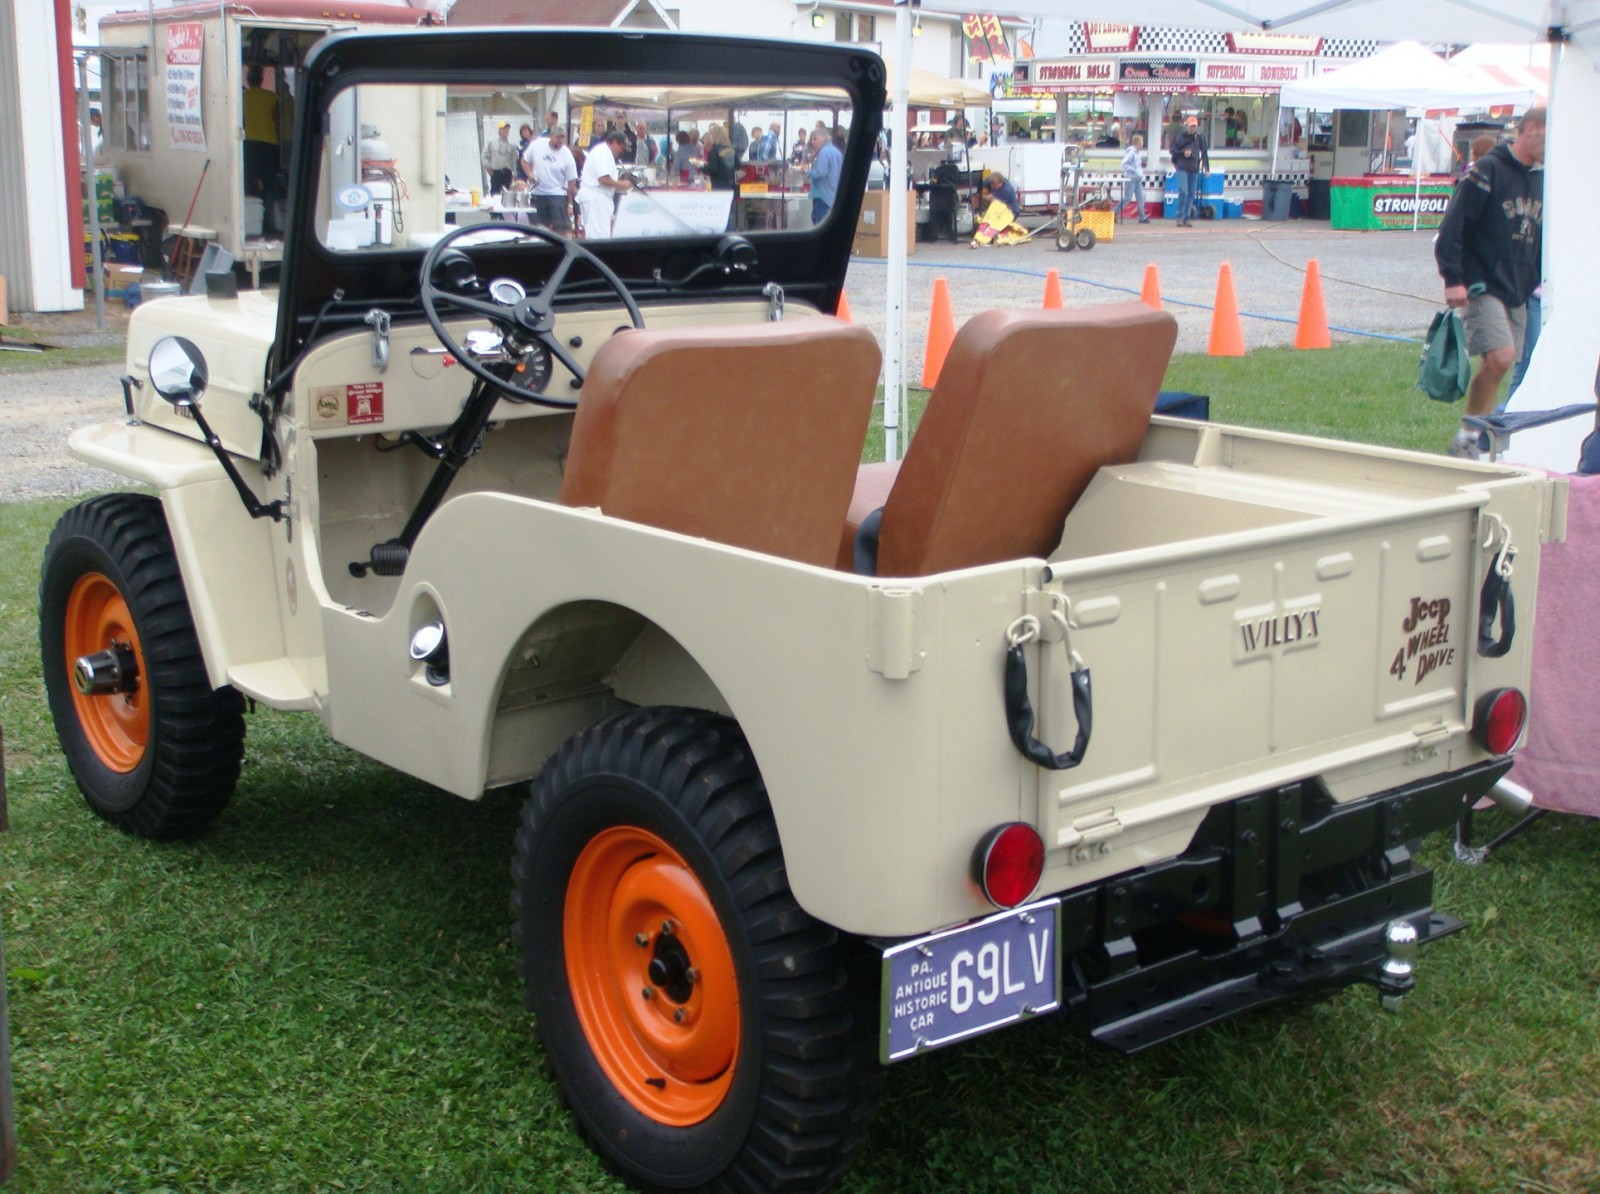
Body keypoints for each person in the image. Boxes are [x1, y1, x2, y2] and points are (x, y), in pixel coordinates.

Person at [1434, 107, 1546, 458]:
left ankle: (1472, 436)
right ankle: (1469, 436)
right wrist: (1453, 278)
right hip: (1481, 283)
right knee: (1500, 357)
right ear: (1530, 129)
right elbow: (1454, 225)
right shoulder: (1488, 170)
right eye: (1549, 136)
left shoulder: (1543, 180)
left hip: (1519, 286)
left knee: (1501, 366)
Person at [577, 127, 634, 240]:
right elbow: (603, 179)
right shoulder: (602, 153)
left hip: (598, 197)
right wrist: (622, 184)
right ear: (615, 142)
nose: (622, 152)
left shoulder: (605, 153)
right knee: (599, 236)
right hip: (596, 198)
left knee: (599, 234)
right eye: (622, 148)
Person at [524, 126, 578, 231]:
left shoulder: (567, 155)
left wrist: (570, 205)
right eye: (558, 137)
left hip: (557, 194)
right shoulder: (537, 145)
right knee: (538, 229)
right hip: (537, 194)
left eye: (562, 137)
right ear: (551, 136)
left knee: (563, 229)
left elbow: (571, 182)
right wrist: (530, 174)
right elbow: (524, 160)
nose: (560, 140)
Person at [242, 65, 280, 202]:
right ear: (262, 80)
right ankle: (267, 203)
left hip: (250, 143)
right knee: (268, 179)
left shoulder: (242, 98)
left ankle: (252, 201)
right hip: (269, 143)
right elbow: (277, 120)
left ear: (248, 80)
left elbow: (241, 121)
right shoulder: (271, 96)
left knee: (250, 177)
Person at [1169, 114, 1209, 227]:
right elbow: (1172, 150)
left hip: (1194, 168)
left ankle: (1186, 217)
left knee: (1191, 193)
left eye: (1194, 126)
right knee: (1184, 191)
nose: (1193, 128)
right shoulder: (1180, 137)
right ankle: (1179, 216)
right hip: (1182, 167)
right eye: (1191, 126)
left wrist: (1207, 168)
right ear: (1187, 126)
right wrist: (1183, 153)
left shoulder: (1200, 138)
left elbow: (1204, 153)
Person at [970, 172, 1025, 248]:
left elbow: (988, 198)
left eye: (995, 185)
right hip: (1000, 207)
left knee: (995, 222)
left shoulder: (1006, 190)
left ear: (1001, 183)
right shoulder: (990, 180)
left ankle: (985, 238)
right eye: (992, 185)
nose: (993, 187)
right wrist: (979, 190)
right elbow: (982, 185)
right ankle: (981, 234)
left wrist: (978, 195)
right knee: (988, 218)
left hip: (1011, 210)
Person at [806, 128, 842, 224]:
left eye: (815, 139)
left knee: (819, 224)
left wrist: (807, 172)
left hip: (822, 197)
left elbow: (820, 173)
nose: (812, 142)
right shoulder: (837, 152)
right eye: (811, 140)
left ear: (823, 139)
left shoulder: (824, 152)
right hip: (834, 196)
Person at [482, 121, 519, 196]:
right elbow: (484, 155)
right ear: (499, 131)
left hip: (507, 173)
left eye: (507, 129)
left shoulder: (512, 145)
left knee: (508, 194)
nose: (506, 131)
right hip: (496, 173)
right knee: (495, 194)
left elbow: (514, 161)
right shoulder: (491, 143)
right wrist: (487, 166)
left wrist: (515, 175)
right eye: (504, 129)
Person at [1121, 135, 1150, 224]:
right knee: (1127, 198)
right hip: (1131, 178)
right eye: (1141, 142)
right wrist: (1133, 171)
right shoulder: (1131, 153)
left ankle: (1142, 217)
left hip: (1137, 178)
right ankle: (1114, 212)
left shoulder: (1137, 153)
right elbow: (1124, 164)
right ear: (1137, 143)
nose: (1142, 144)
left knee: (1141, 197)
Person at [701, 124, 737, 189]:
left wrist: (702, 166)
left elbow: (712, 170)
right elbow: (738, 165)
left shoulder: (714, 151)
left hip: (718, 184)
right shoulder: (731, 150)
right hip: (731, 183)